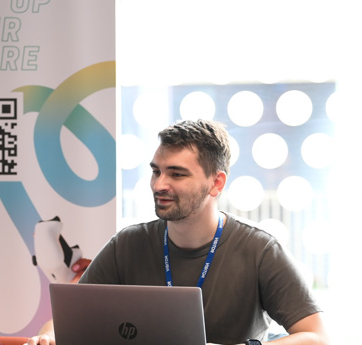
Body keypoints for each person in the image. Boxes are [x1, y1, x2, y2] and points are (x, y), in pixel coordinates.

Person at [29, 119, 330, 345]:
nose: (159, 184)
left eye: (176, 174)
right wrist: (48, 336)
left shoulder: (259, 250)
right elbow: (66, 319)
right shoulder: (128, 244)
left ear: (217, 183)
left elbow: (316, 336)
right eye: (156, 171)